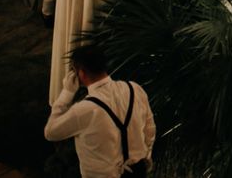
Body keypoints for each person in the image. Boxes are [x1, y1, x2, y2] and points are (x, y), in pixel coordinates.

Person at [44, 45, 156, 177]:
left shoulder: (84, 110)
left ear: (81, 73)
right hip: (138, 172)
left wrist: (67, 93)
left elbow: (51, 132)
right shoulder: (135, 89)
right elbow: (149, 130)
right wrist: (146, 157)